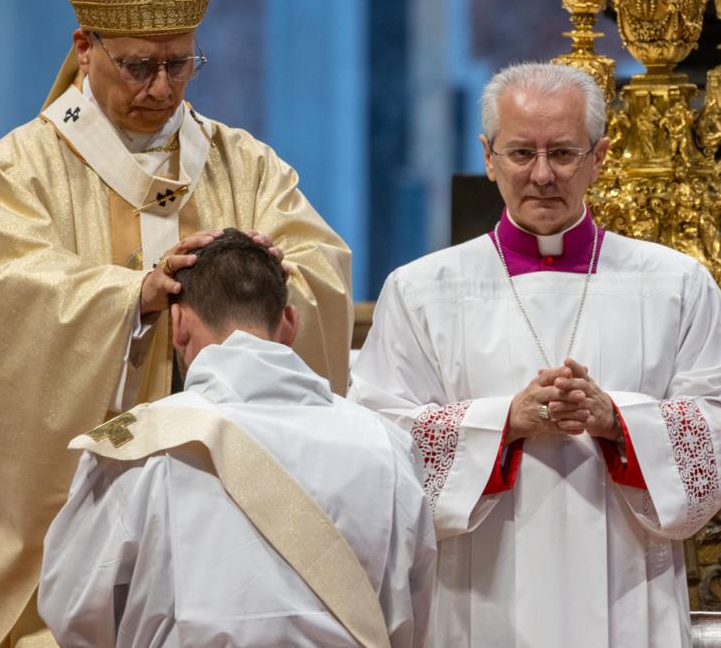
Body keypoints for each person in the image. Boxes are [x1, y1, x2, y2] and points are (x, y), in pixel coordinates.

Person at [0, 0, 352, 646]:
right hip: (65, 517)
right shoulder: (21, 169)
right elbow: (4, 295)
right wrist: (133, 297)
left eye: (180, 64)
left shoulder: (242, 162)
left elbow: (322, 265)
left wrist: (267, 278)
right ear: (85, 48)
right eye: (138, 66)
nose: (161, 89)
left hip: (228, 518)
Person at [349, 62, 721, 647]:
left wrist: (617, 421)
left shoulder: (675, 284)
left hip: (625, 586)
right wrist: (504, 424)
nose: (542, 175)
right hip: (478, 592)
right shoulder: (421, 290)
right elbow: (377, 437)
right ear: (488, 156)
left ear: (599, 155)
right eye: (521, 153)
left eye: (564, 153)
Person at [39, 230, 435, 647]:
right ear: (290, 323)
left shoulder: (136, 445)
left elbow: (74, 609)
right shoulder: (385, 444)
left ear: (177, 326)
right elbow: (415, 607)